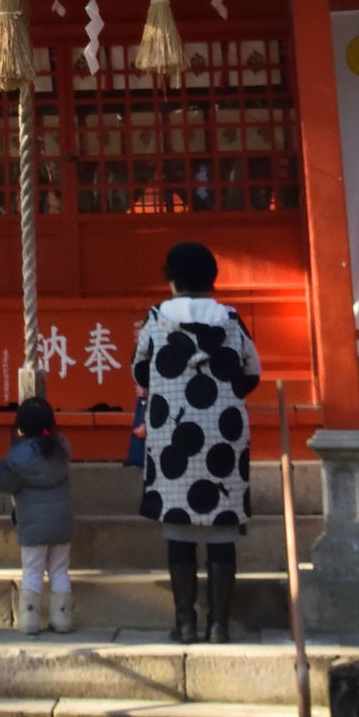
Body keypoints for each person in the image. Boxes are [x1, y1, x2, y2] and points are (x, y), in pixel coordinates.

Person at [132, 242, 261, 644]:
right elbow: (252, 370)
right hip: (224, 434)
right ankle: (219, 625)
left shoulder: (156, 320)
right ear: (212, 280)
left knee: (178, 525)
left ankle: (185, 624)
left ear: (171, 280)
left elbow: (141, 372)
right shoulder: (231, 320)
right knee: (223, 525)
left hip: (173, 435)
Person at [0, 397, 75, 635]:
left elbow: (4, 484)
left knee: (33, 570)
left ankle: (29, 620)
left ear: (20, 427)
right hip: (61, 523)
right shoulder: (61, 450)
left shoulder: (18, 457)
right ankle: (63, 618)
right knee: (59, 569)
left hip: (32, 527)